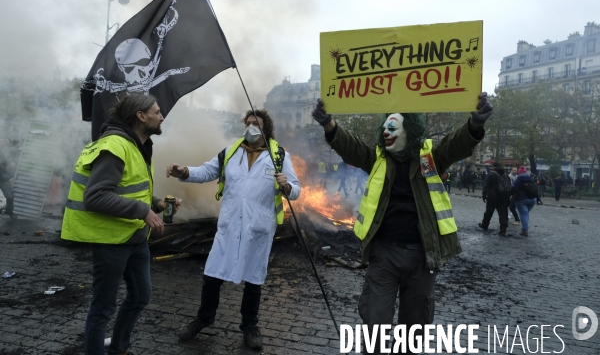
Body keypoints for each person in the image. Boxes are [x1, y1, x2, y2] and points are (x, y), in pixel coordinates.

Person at [312, 93, 492, 354]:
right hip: (384, 254)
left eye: (392, 127)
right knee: (376, 321)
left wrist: (475, 124)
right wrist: (329, 125)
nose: (386, 132)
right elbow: (350, 146)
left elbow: (456, 144)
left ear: (410, 130)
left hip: (423, 256)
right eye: (384, 127)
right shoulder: (377, 158)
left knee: (415, 328)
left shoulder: (430, 159)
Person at [168, 109, 300, 350]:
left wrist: (288, 186)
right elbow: (206, 171)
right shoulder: (229, 152)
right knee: (212, 275)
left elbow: (297, 189)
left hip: (258, 227)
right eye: (247, 123)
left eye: (255, 124)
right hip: (229, 226)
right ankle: (204, 319)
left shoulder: (279, 156)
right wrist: (184, 172)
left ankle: (250, 326)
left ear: (266, 129)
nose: (250, 127)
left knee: (253, 279)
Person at [61, 93, 179, 355]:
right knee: (103, 308)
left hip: (135, 238)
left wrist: (156, 204)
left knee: (140, 296)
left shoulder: (137, 145)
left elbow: (130, 189)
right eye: (157, 111)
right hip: (110, 241)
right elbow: (96, 196)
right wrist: (142, 211)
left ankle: (119, 348)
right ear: (140, 116)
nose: (161, 116)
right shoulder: (115, 145)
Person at [478, 162, 511, 235]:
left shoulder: (491, 175)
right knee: (503, 213)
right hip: (504, 197)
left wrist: (484, 195)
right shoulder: (506, 175)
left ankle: (485, 225)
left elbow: (486, 186)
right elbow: (509, 187)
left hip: (493, 197)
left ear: (493, 167)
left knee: (489, 212)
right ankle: (503, 229)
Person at [511, 166, 539, 237]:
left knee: (523, 214)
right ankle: (525, 227)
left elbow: (514, 188)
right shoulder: (530, 178)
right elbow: (535, 188)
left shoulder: (519, 179)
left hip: (521, 199)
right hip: (532, 199)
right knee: (525, 214)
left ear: (519, 172)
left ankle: (524, 230)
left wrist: (511, 193)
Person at [0, 138, 16, 219]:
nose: (3, 143)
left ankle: (9, 211)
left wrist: (10, 175)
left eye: (5, 141)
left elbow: (12, 164)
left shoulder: (9, 152)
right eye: (1, 141)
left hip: (3, 178)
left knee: (10, 196)